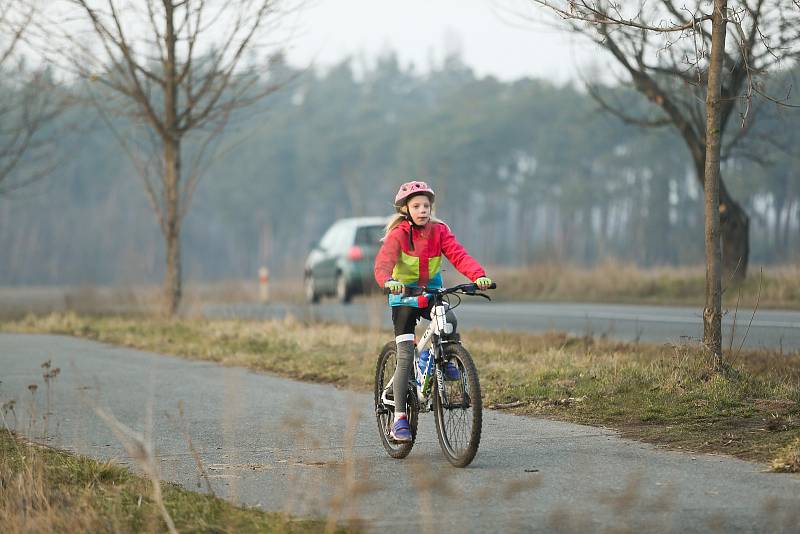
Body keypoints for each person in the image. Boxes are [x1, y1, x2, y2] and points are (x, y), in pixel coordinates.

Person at [374, 180, 492, 443]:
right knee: (405, 355)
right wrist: (388, 282)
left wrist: (478, 275)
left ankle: (439, 357)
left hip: (431, 295)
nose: (423, 209)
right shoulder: (399, 235)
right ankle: (399, 420)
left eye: (426, 205)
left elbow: (459, 255)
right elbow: (383, 263)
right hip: (404, 298)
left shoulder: (440, 231)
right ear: (406, 209)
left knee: (448, 319)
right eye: (416, 205)